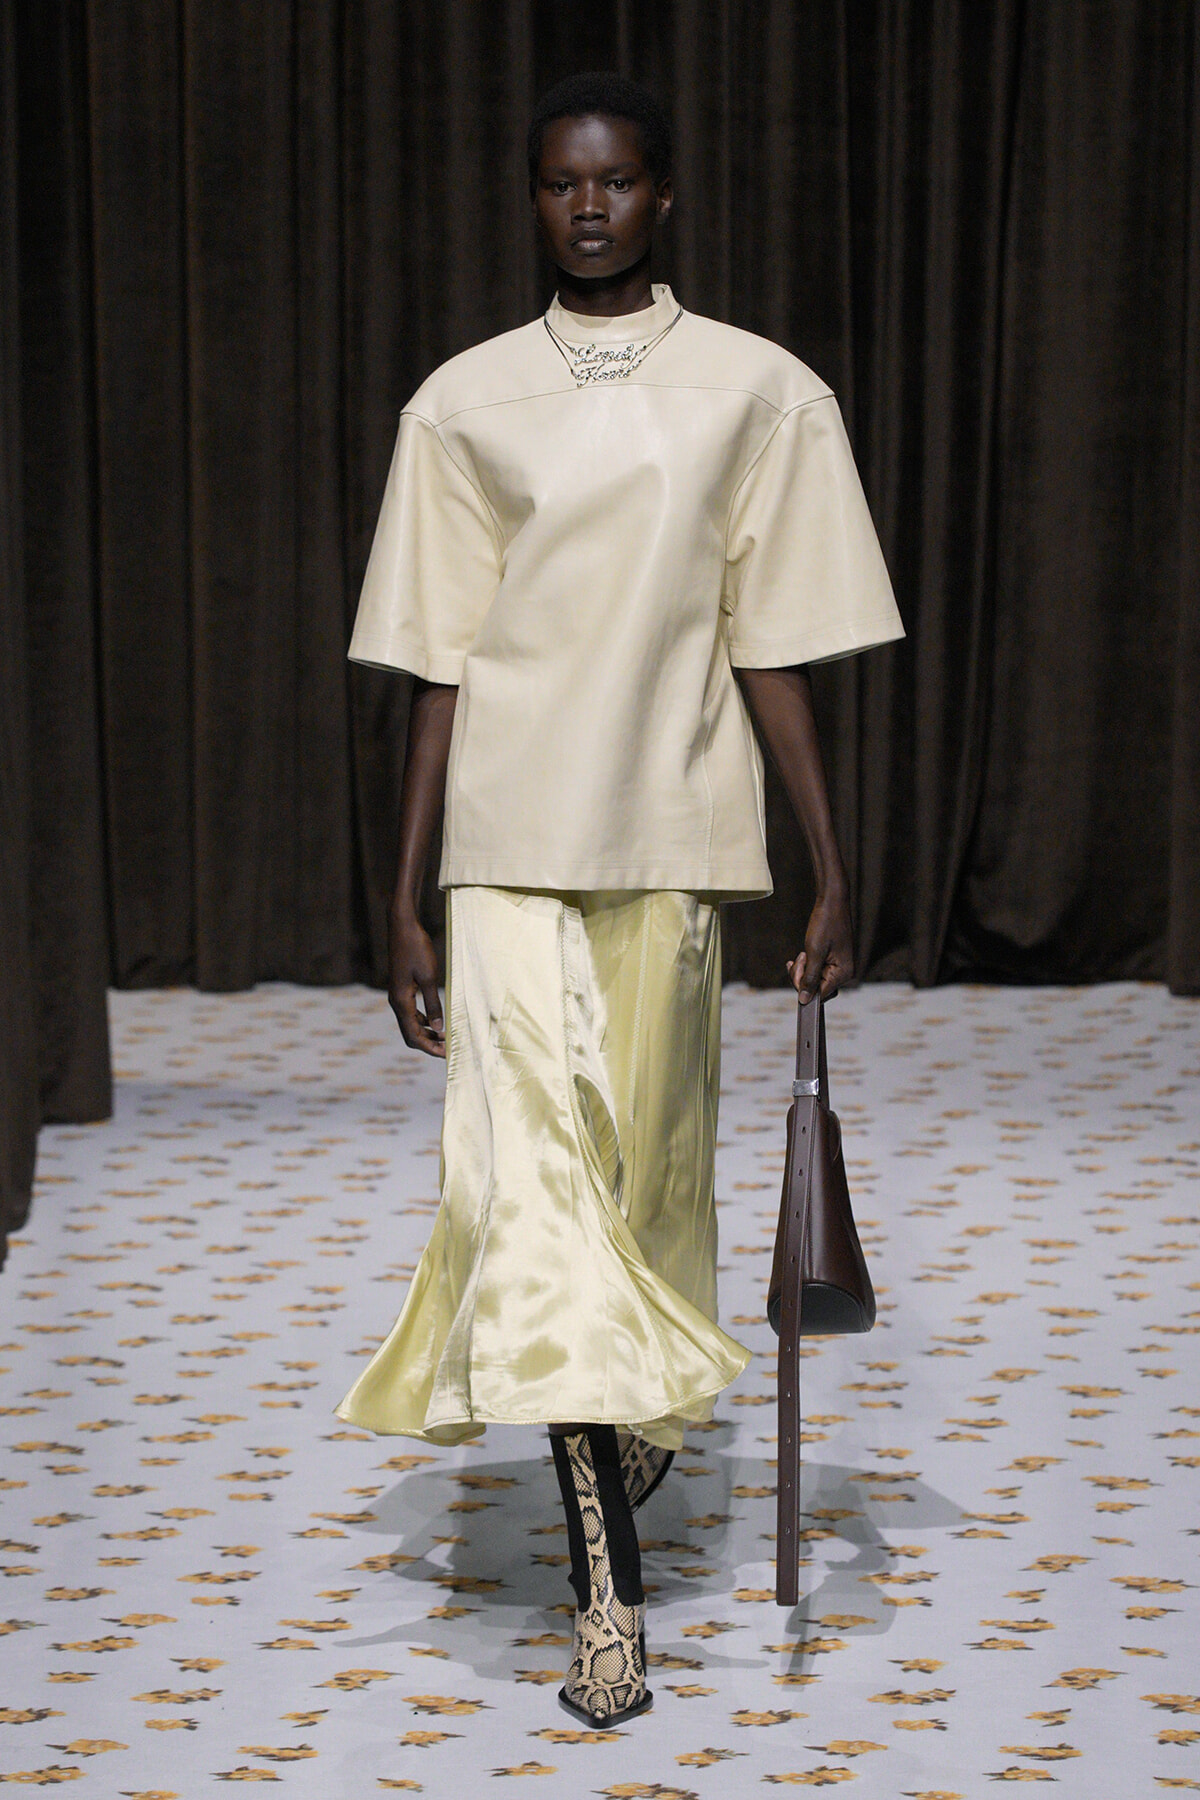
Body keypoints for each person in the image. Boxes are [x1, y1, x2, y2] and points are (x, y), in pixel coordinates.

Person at [334, 70, 903, 1728]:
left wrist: (831, 856)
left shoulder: (757, 391)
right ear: (533, 202)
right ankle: (611, 1603)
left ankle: (635, 1426)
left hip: (667, 841)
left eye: (619, 182)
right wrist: (406, 888)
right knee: (542, 1204)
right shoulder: (464, 403)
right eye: (560, 185)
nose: (588, 206)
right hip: (506, 849)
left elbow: (770, 636)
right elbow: (438, 666)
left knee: (650, 1182)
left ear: (664, 197)